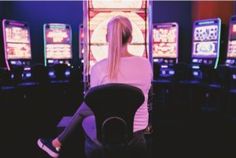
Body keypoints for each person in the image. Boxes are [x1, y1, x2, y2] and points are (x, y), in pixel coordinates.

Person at [37, 15, 153, 158]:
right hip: (137, 133)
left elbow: (93, 106)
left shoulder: (99, 68)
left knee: (85, 112)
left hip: (105, 134)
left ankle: (57, 143)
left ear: (107, 38)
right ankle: (57, 143)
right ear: (130, 38)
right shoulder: (146, 65)